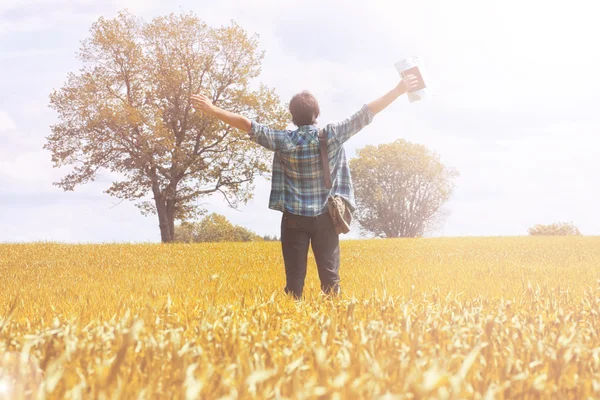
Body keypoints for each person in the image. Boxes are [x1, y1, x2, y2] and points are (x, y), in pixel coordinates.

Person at [191, 74, 422, 299]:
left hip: (293, 218)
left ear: (292, 116)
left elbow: (248, 125)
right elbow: (366, 113)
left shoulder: (283, 140)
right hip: (326, 217)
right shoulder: (332, 135)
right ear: (316, 114)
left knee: (294, 283)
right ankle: (335, 327)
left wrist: (212, 109)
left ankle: (290, 329)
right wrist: (399, 90)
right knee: (331, 281)